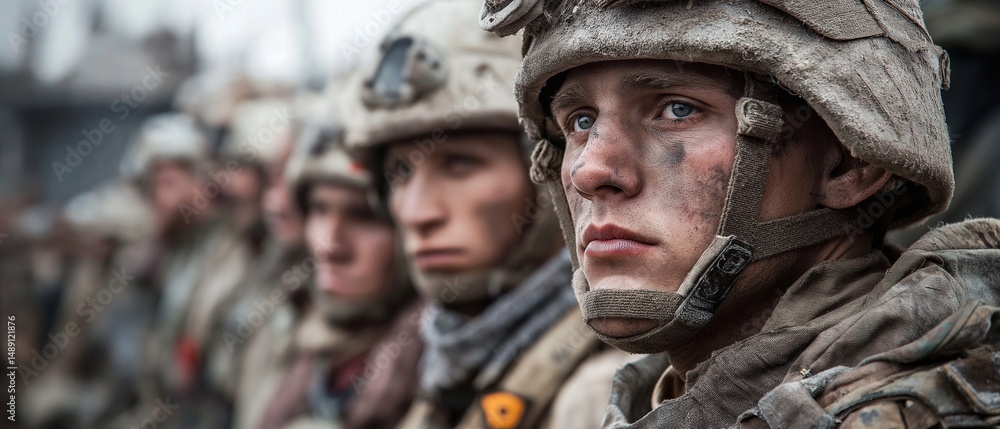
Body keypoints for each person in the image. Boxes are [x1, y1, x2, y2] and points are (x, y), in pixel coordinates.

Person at [479, 0, 1000, 427]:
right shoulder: (665, 402)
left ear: (849, 163)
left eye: (677, 109)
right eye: (581, 120)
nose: (590, 171)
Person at [343, 1, 633, 428]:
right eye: (399, 172)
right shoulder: (425, 367)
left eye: (461, 164)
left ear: (547, 168)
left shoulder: (609, 396)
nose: (418, 212)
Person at [233, 121, 423, 429]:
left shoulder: (433, 366)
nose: (330, 247)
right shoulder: (300, 332)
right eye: (319, 210)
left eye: (364, 216)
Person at [120, 112, 252, 428]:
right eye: (150, 189)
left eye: (167, 183)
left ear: (203, 183)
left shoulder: (230, 254)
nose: (158, 200)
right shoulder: (175, 253)